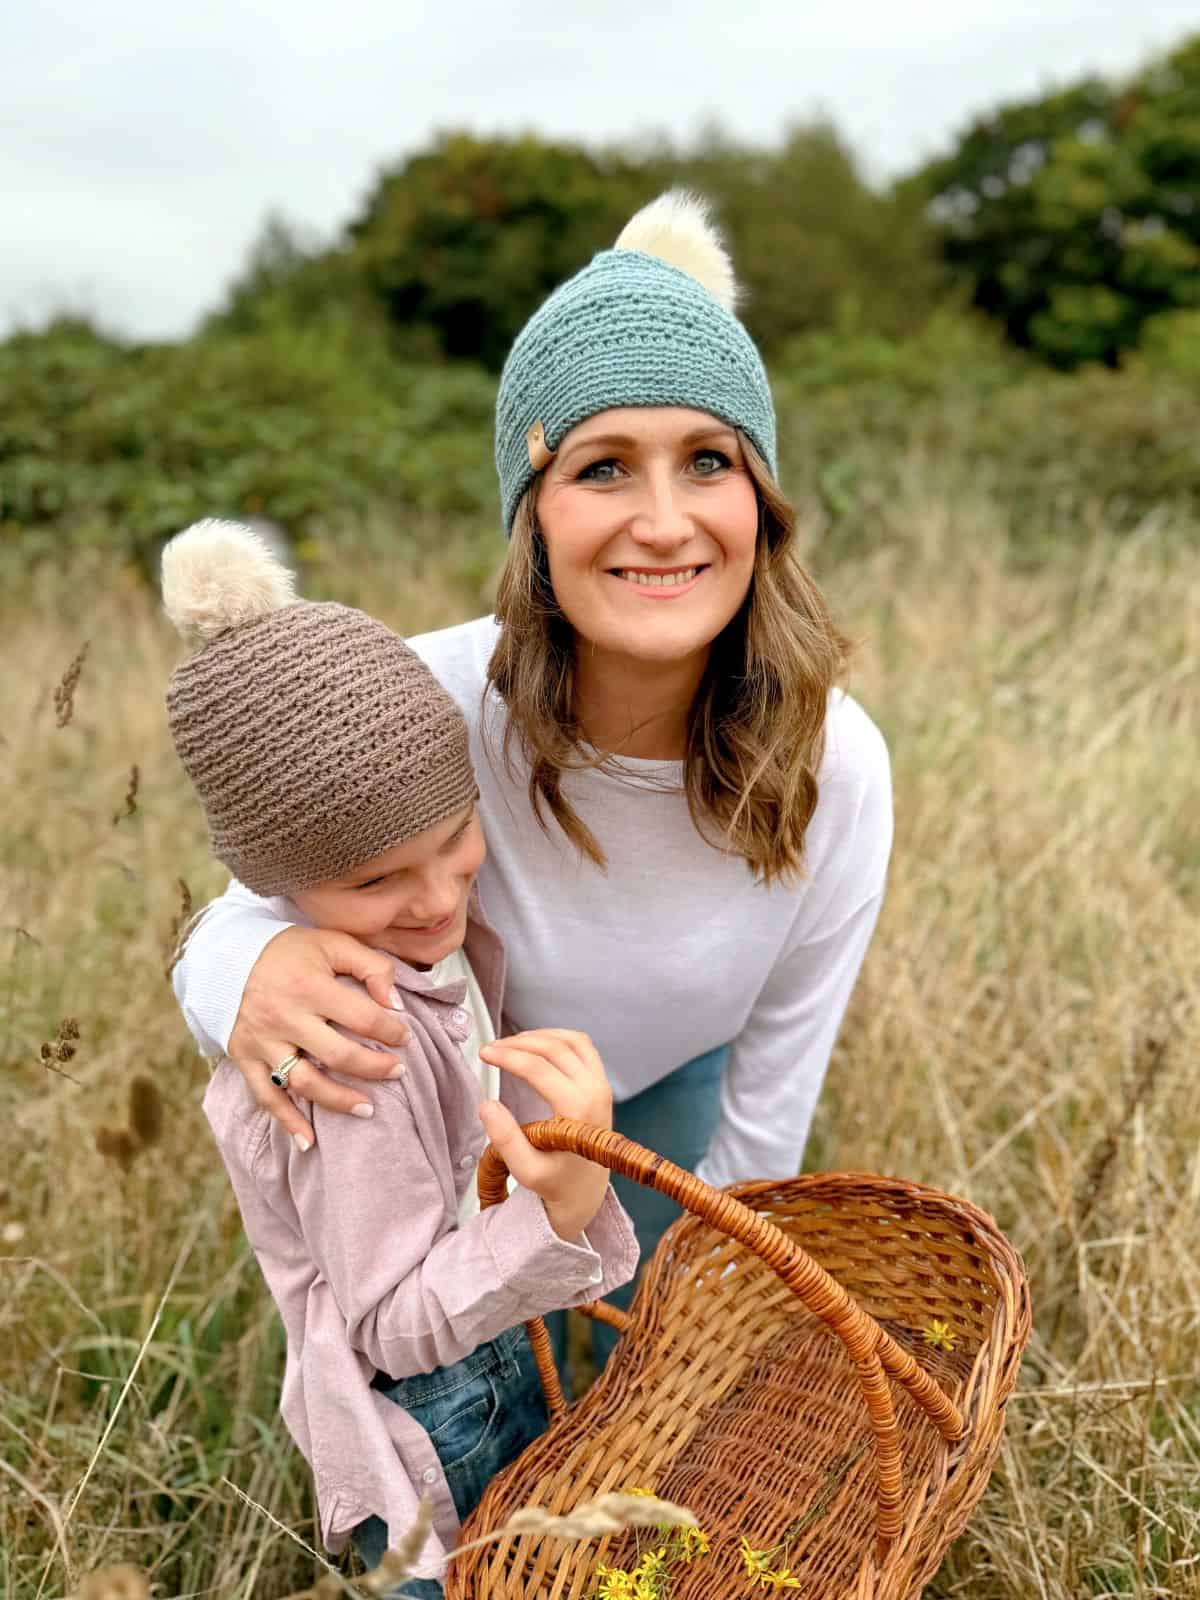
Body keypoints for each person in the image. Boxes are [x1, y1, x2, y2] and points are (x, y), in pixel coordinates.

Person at [171, 189, 893, 1385]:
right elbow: (250, 895)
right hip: (448, 1106)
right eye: (604, 467)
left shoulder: (836, 763)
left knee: (635, 1392)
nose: (664, 523)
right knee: (457, 1436)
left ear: (758, 505)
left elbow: (772, 1099)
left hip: (670, 1101)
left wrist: (695, 1319)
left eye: (707, 461)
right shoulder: (429, 696)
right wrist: (243, 969)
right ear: (533, 516)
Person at [161, 518, 639, 1596]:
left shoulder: (413, 952)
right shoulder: (349, 1062)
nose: (434, 898)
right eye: (376, 881)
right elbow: (392, 1322)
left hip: (482, 1335)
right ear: (275, 888)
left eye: (455, 839)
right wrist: (558, 1208)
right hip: (432, 1414)